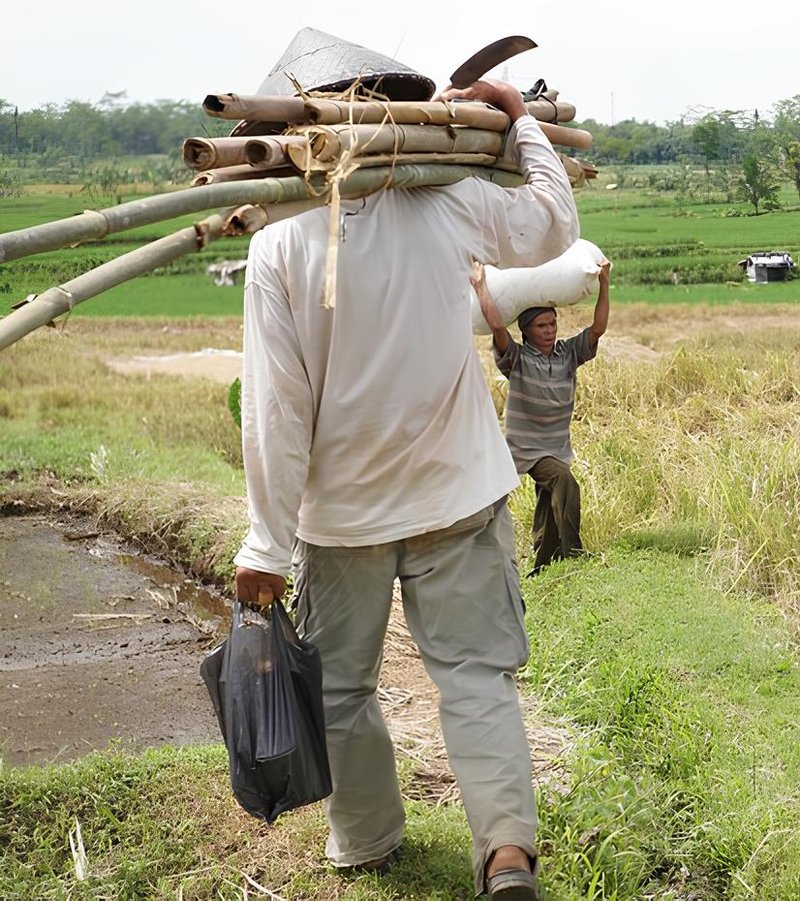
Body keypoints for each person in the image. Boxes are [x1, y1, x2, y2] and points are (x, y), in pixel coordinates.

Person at [230, 26, 578, 900]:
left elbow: (277, 413)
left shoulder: (278, 243)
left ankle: (368, 840)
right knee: (474, 678)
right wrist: (522, 126)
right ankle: (505, 853)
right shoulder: (448, 194)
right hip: (459, 492)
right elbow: (551, 226)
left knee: (342, 688)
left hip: (341, 518)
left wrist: (267, 547)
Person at [470, 257, 610, 576]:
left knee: (549, 501)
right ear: (526, 331)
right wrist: (480, 287)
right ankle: (573, 551)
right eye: (541, 326)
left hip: (558, 445)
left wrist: (604, 284)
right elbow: (495, 325)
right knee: (564, 482)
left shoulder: (568, 353)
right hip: (529, 449)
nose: (549, 332)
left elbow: (598, 328)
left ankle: (544, 562)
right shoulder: (516, 359)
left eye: (552, 324)